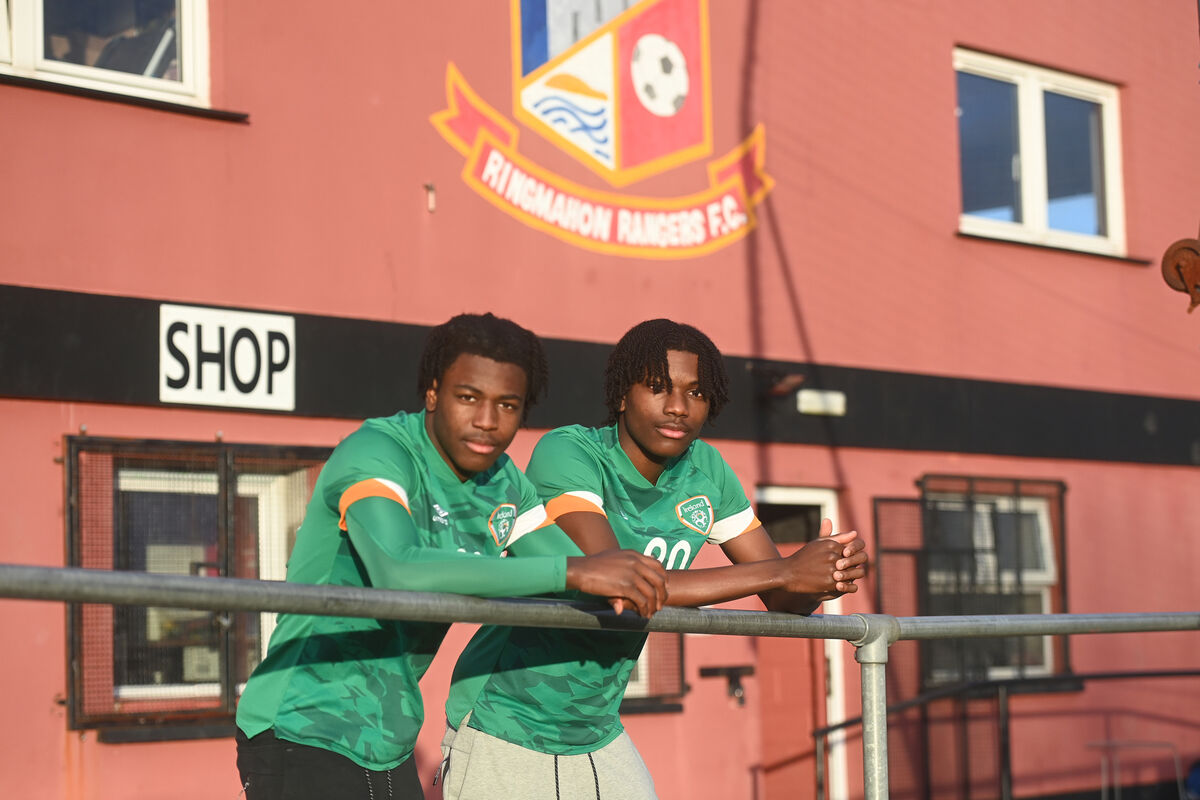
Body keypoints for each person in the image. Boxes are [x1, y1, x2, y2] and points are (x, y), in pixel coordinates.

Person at [234, 313, 668, 800]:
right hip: (300, 724)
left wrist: (622, 577)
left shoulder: (503, 483)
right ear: (434, 392)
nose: (487, 420)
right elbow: (396, 569)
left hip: (389, 738)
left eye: (507, 405)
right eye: (469, 398)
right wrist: (577, 570)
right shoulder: (378, 451)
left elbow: (582, 578)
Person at [440, 318, 870, 800]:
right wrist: (786, 568)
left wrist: (823, 573)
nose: (678, 407)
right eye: (658, 387)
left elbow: (784, 601)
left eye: (697, 393)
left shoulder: (706, 470)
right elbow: (617, 578)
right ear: (622, 394)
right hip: (506, 719)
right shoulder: (569, 452)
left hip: (596, 728)